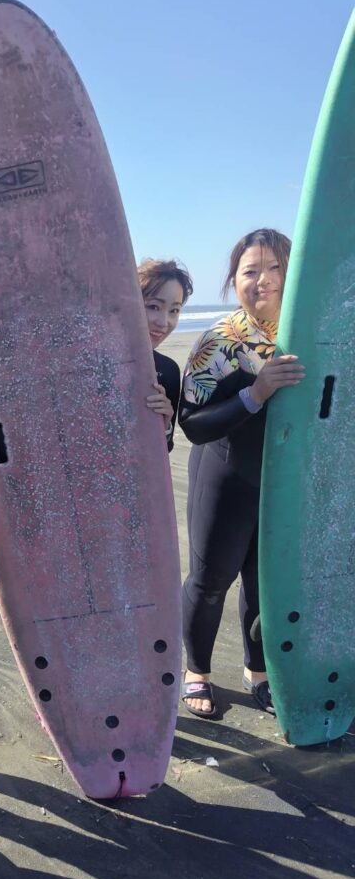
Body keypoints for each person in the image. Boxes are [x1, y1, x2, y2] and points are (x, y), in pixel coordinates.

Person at [178, 229, 305, 718]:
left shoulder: (307, 331)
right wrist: (257, 392)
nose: (264, 280)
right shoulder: (220, 342)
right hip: (226, 473)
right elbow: (192, 423)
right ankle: (198, 673)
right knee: (211, 580)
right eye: (251, 271)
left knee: (262, 582)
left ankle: (257, 672)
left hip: (282, 480)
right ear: (235, 280)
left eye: (275, 268)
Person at [138, 258, 193, 450]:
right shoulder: (90, 361)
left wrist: (165, 424)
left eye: (174, 310)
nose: (163, 322)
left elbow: (165, 448)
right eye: (153, 306)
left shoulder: (168, 370)